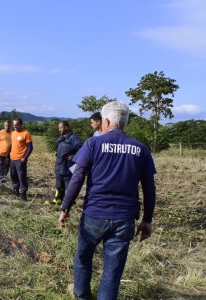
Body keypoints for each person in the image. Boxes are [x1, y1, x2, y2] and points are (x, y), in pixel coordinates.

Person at [58, 101, 156, 300]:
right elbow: (149, 188)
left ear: (107, 121)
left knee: (83, 257)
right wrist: (147, 220)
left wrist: (65, 207)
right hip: (125, 219)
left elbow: (77, 177)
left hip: (94, 215)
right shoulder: (141, 149)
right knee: (113, 270)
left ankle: (81, 295)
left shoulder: (93, 144)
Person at [45, 121, 83, 205]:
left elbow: (82, 149)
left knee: (69, 186)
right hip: (59, 166)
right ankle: (58, 200)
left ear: (66, 127)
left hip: (68, 166)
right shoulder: (61, 138)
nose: (59, 129)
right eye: (59, 128)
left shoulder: (73, 138)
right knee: (59, 184)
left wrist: (73, 157)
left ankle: (70, 202)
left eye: (61, 127)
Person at [9, 118, 33, 201]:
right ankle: (16, 190)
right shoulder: (13, 133)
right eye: (14, 124)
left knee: (22, 177)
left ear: (21, 124)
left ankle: (23, 194)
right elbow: (12, 146)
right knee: (13, 176)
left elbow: (30, 147)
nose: (15, 126)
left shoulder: (26, 134)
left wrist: (25, 157)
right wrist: (8, 157)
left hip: (20, 160)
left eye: (16, 124)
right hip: (12, 158)